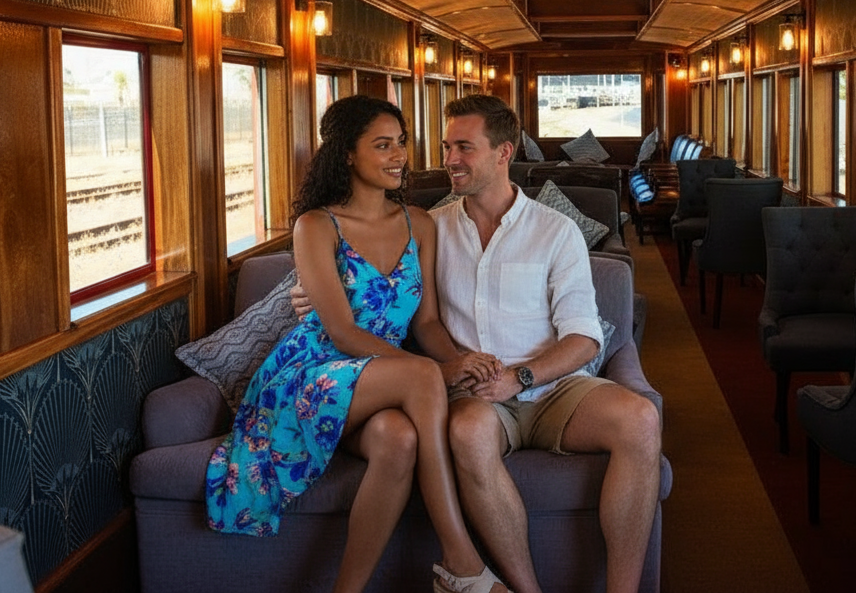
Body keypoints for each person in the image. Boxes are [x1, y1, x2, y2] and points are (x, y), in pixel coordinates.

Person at [294, 95, 662, 593]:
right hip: (476, 395)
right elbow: (392, 304)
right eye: (446, 147)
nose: (449, 159)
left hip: (553, 388)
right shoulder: (429, 227)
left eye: (464, 148)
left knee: (641, 419)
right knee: (466, 433)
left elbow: (584, 337)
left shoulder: (556, 232)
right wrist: (308, 296)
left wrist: (522, 376)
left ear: (503, 152)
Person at [206, 95, 508, 593]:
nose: (398, 156)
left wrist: (459, 360)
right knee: (421, 373)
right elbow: (342, 332)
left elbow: (428, 321)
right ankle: (462, 562)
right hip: (313, 372)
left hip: (380, 379)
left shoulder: (419, 223)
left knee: (399, 440)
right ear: (348, 152)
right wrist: (438, 371)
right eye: (382, 145)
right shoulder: (316, 225)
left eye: (402, 144)